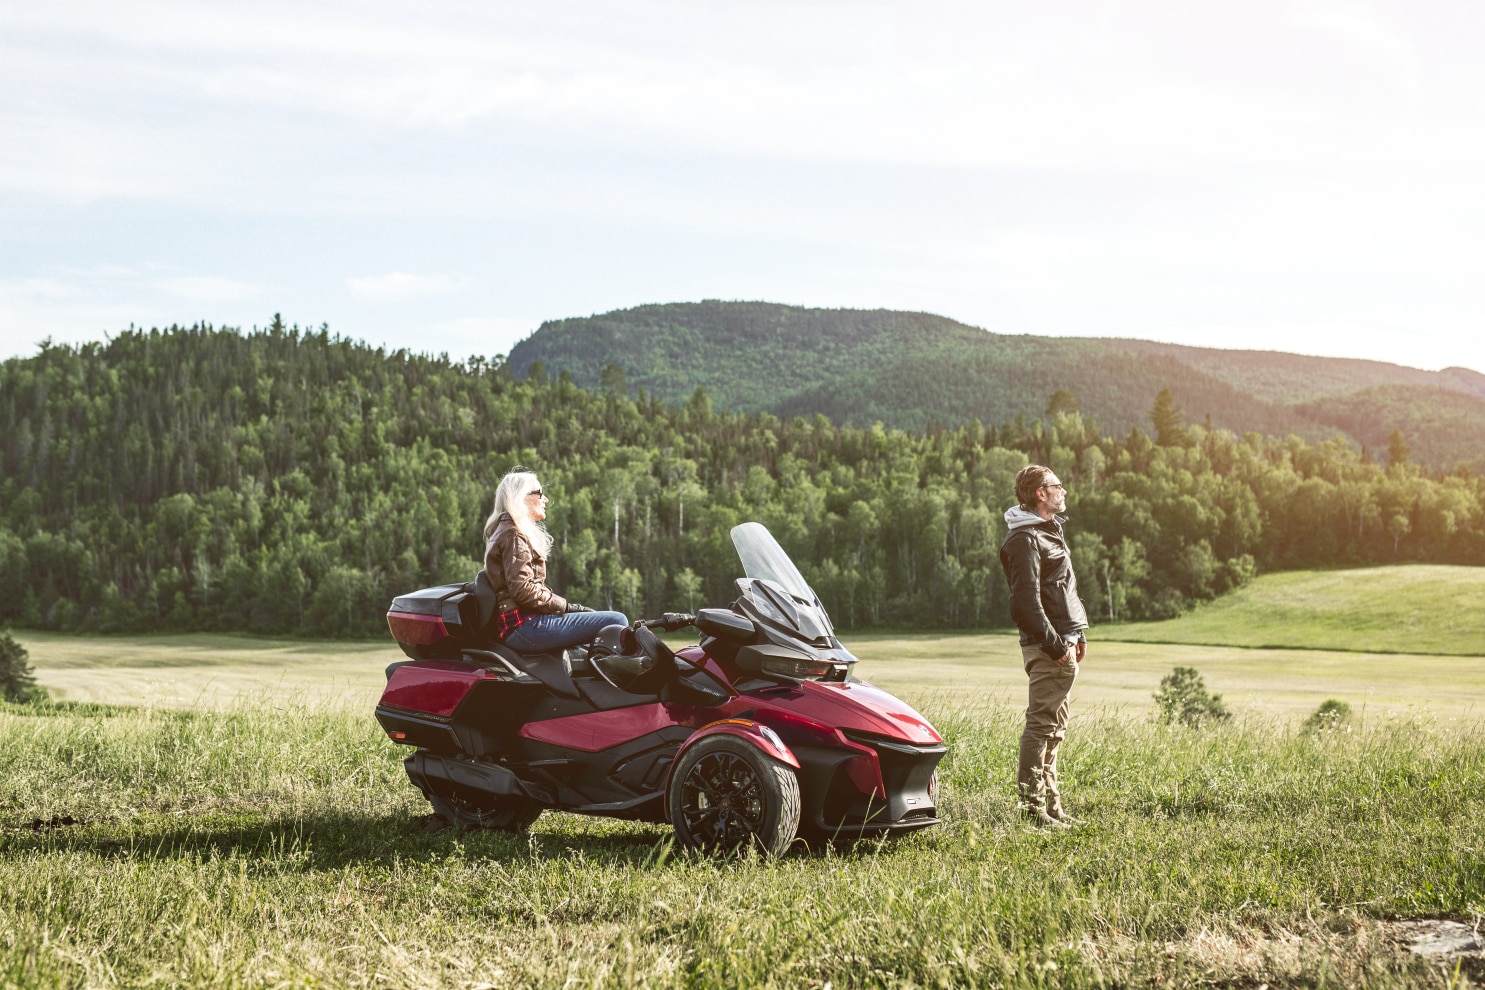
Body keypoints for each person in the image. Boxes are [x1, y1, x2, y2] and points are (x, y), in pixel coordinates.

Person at [999, 464, 1089, 829]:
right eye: (1057, 486)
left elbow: (1062, 587)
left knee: (1055, 728)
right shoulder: (1025, 540)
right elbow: (1024, 603)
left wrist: (1078, 633)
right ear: (1040, 493)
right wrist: (1056, 647)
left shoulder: (1046, 531)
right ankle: (1032, 811)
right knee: (1040, 727)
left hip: (1063, 644)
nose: (1063, 491)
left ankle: (1052, 807)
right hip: (1048, 648)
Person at [484, 471, 628, 654]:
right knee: (617, 621)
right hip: (525, 626)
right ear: (522, 497)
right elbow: (523, 590)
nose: (545, 499)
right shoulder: (514, 534)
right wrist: (566, 607)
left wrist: (567, 609)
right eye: (540, 492)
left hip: (522, 624)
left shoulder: (504, 531)